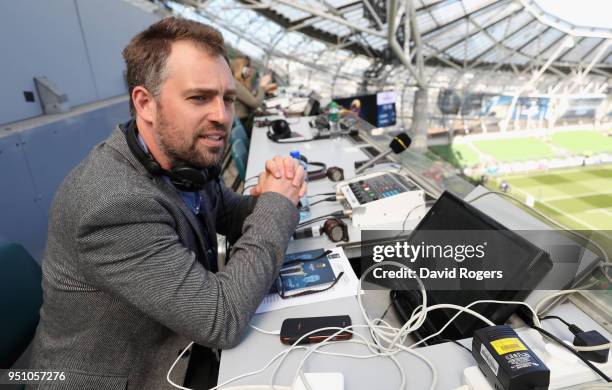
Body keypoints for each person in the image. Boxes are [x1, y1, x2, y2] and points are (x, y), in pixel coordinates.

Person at [28, 17, 305, 389]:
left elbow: (228, 213)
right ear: (145, 103)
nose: (222, 117)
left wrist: (276, 192)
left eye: (227, 98)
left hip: (182, 347)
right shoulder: (112, 204)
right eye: (199, 97)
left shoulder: (184, 158)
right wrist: (276, 204)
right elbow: (221, 319)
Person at [231, 55, 276, 136]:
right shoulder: (235, 84)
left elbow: (252, 98)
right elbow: (255, 104)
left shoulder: (239, 83)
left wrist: (263, 89)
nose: (251, 70)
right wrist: (262, 86)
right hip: (244, 123)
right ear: (241, 69)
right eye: (248, 67)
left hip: (246, 121)